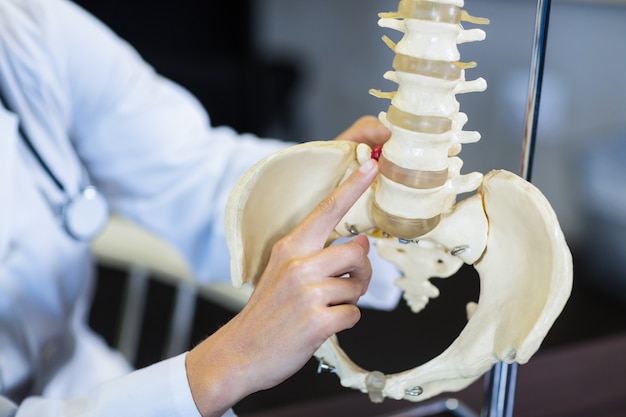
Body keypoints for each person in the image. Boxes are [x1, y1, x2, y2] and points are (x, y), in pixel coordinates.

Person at [0, 0, 399, 416]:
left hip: (87, 380)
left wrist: (327, 184)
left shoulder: (30, 27)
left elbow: (190, 169)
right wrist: (223, 366)